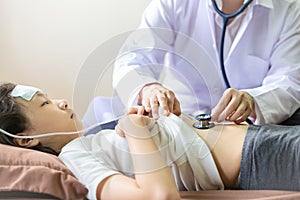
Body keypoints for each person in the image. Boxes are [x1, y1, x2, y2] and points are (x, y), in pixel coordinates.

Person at [0, 82, 299, 199]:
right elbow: (158, 196)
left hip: (255, 137)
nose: (62, 101)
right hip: (256, 156)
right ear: (25, 140)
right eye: (45, 104)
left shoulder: (91, 140)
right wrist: (137, 130)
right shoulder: (73, 161)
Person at [112, 0, 300, 125]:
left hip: (244, 130)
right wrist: (148, 88)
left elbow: (290, 82)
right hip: (182, 121)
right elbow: (132, 59)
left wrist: (254, 100)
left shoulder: (290, 9)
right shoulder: (173, 3)